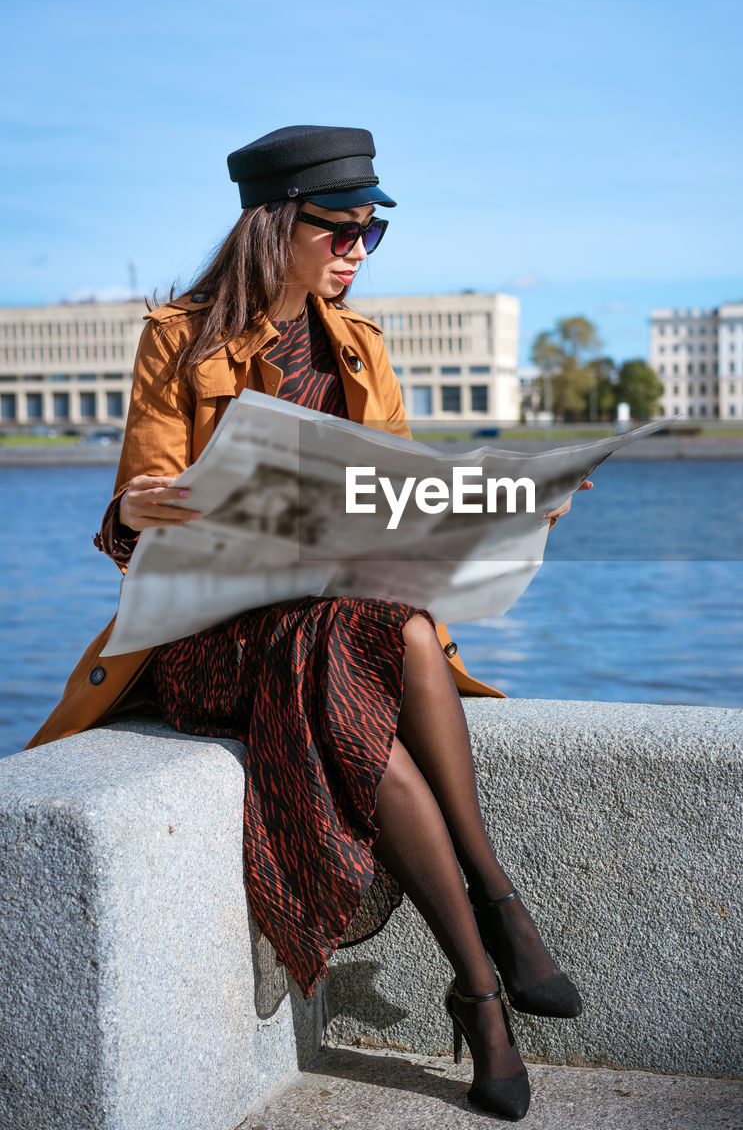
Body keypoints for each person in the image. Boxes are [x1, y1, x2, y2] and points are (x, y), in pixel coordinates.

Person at [25, 125, 589, 1122]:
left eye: (374, 232)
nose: (358, 251)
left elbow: (402, 509)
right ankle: (493, 931)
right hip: (210, 639)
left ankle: (483, 977)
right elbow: (130, 517)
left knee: (392, 626)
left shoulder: (362, 346)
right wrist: (143, 508)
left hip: (334, 624)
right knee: (369, 634)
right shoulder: (178, 335)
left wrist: (498, 506)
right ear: (276, 224)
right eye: (341, 230)